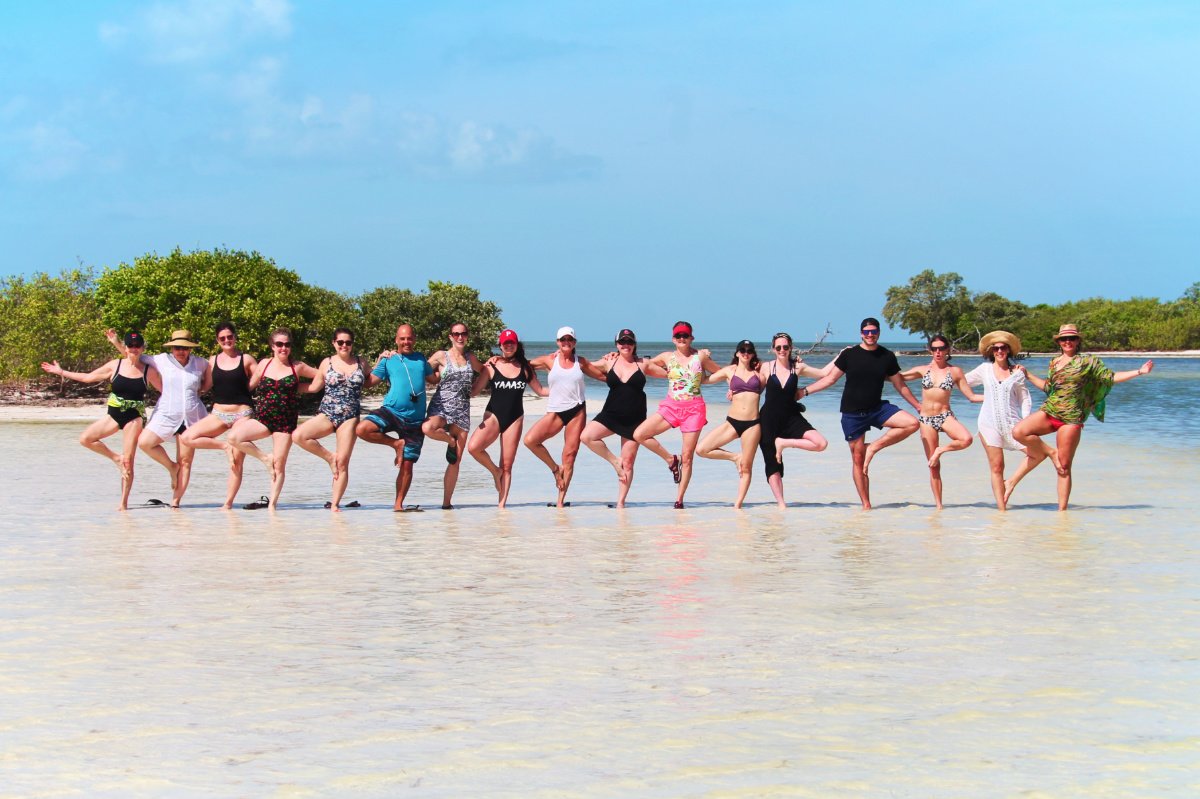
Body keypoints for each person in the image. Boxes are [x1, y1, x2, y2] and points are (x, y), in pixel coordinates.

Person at [1007, 324, 1153, 510]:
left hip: (1072, 418)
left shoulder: (1088, 361)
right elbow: (1048, 388)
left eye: (1072, 338)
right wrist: (1027, 374)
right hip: (1050, 410)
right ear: (1059, 342)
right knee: (1019, 432)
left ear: (1078, 341)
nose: (1067, 341)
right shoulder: (1054, 362)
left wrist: (1139, 372)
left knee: (1063, 467)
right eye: (1063, 339)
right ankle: (1050, 453)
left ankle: (1062, 513)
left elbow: (1110, 377)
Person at [801, 317, 921, 510]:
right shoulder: (849, 354)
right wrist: (804, 391)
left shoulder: (887, 356)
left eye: (873, 331)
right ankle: (866, 505)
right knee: (858, 459)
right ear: (861, 334)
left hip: (877, 408)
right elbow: (830, 379)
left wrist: (918, 406)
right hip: (852, 413)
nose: (870, 335)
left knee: (912, 423)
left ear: (879, 333)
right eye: (867, 332)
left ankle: (872, 447)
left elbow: (900, 385)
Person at [41, 331, 161, 510]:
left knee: (129, 462)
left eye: (137, 346)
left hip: (134, 417)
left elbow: (166, 391)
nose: (134, 349)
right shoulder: (115, 365)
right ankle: (116, 458)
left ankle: (123, 504)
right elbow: (88, 377)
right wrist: (61, 372)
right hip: (113, 415)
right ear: (126, 347)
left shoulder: (148, 371)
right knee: (85, 439)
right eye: (130, 345)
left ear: (143, 348)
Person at [107, 328, 212, 507]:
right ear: (172, 348)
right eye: (177, 347)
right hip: (166, 414)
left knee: (186, 461)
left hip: (192, 417)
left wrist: (199, 392)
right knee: (145, 442)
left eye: (185, 348)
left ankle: (175, 503)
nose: (181, 351)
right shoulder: (160, 360)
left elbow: (207, 383)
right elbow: (133, 354)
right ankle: (171, 467)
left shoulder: (201, 363)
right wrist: (116, 342)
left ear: (190, 349)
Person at [581, 328, 676, 508]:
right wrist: (561, 357)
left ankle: (620, 503)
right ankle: (614, 461)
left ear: (634, 344)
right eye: (622, 342)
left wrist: (696, 361)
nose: (626, 345)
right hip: (610, 414)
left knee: (629, 463)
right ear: (616, 344)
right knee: (587, 437)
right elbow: (584, 366)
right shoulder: (609, 361)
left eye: (629, 341)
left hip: (635, 418)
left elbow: (671, 374)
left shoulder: (643, 364)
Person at [227, 328, 320, 510]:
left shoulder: (298, 366)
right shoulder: (264, 364)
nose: (283, 348)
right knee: (234, 438)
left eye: (287, 344)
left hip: (285, 423)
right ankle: (264, 458)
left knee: (279, 465)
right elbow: (248, 386)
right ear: (272, 346)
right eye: (279, 344)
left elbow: (320, 374)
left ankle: (272, 506)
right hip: (262, 419)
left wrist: (302, 387)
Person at [633, 321, 721, 509]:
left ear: (691, 338)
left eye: (685, 335)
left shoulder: (700, 357)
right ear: (673, 339)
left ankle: (679, 500)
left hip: (694, 409)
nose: (682, 338)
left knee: (688, 457)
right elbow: (643, 363)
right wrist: (616, 356)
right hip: (671, 406)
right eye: (678, 336)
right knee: (639, 434)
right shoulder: (667, 357)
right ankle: (671, 459)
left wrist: (714, 383)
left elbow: (721, 373)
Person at [292, 328, 383, 511]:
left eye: (348, 342)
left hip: (350, 417)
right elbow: (314, 387)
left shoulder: (361, 362)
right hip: (327, 413)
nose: (344, 345)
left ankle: (335, 504)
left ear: (352, 344)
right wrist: (286, 386)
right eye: (340, 342)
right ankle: (329, 458)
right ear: (334, 343)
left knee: (343, 462)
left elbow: (369, 382)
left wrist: (383, 362)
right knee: (298, 436)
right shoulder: (326, 362)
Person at [356, 324, 438, 511]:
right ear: (396, 340)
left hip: (415, 419)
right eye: (402, 339)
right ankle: (396, 444)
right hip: (392, 411)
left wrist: (446, 365)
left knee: (407, 465)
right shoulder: (389, 359)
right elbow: (369, 383)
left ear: (414, 339)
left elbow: (434, 379)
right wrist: (376, 361)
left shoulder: (420, 359)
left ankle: (398, 505)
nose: (406, 342)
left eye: (409, 338)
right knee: (362, 429)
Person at [961, 331, 1047, 511]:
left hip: (1013, 423)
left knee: (1039, 454)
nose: (999, 351)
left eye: (1003, 348)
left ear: (1008, 350)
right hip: (988, 424)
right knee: (997, 467)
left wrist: (1026, 421)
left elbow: (1024, 398)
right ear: (991, 351)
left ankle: (1011, 482)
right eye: (996, 348)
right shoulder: (984, 369)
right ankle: (1002, 511)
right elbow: (961, 381)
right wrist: (976, 397)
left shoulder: (1017, 372)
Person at [524, 326, 607, 508]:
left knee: (569, 456)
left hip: (577, 411)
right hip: (555, 411)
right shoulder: (549, 360)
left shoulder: (580, 362)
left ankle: (560, 502)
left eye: (570, 339)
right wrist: (537, 388)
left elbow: (604, 377)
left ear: (574, 342)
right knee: (530, 440)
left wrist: (618, 363)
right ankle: (555, 469)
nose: (566, 342)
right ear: (557, 342)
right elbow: (523, 365)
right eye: (563, 340)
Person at [178, 322, 258, 509]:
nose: (227, 340)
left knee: (236, 462)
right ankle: (224, 446)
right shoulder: (212, 360)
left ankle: (228, 504)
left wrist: (247, 388)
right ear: (217, 340)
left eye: (230, 337)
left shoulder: (246, 359)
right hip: (218, 413)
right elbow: (205, 385)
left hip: (242, 414)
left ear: (235, 337)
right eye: (222, 338)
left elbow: (262, 376)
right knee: (187, 437)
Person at [897, 334, 982, 509]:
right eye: (934, 348)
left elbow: (971, 397)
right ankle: (939, 507)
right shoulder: (922, 370)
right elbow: (896, 377)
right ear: (930, 350)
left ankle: (940, 450)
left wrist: (995, 397)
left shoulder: (955, 371)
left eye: (941, 348)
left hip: (944, 416)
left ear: (947, 350)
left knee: (966, 439)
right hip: (926, 419)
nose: (938, 352)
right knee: (933, 466)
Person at [467, 329, 548, 508]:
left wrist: (566, 388)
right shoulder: (491, 366)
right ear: (500, 346)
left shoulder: (525, 368)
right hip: (493, 416)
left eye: (512, 343)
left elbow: (541, 391)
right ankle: (495, 471)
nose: (509, 346)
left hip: (515, 418)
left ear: (517, 345)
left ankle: (502, 507)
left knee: (507, 465)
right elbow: (474, 391)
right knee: (473, 448)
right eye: (505, 343)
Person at [420, 323, 486, 510]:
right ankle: (450, 441)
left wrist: (475, 390)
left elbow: (485, 371)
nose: (460, 337)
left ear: (467, 336)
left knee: (455, 460)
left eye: (463, 334)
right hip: (440, 407)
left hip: (462, 410)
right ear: (450, 336)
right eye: (456, 334)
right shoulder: (441, 356)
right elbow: (421, 369)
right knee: (427, 428)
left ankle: (446, 504)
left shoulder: (470, 358)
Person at [696, 340, 769, 508]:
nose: (746, 353)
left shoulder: (759, 374)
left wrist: (796, 362)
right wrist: (701, 360)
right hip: (732, 422)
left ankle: (738, 505)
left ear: (753, 354)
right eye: (742, 350)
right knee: (701, 449)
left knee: (746, 467)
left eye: (749, 351)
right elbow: (704, 380)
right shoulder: (730, 371)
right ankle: (735, 457)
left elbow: (777, 374)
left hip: (752, 425)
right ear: (737, 353)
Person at [758, 332, 827, 508]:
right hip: (768, 420)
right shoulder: (766, 367)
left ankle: (784, 443)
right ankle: (782, 504)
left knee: (821, 443)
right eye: (778, 347)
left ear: (791, 348)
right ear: (773, 349)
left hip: (792, 417)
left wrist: (843, 354)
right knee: (772, 463)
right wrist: (733, 391)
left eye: (785, 347)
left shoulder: (798, 367)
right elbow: (753, 390)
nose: (782, 350)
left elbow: (824, 373)